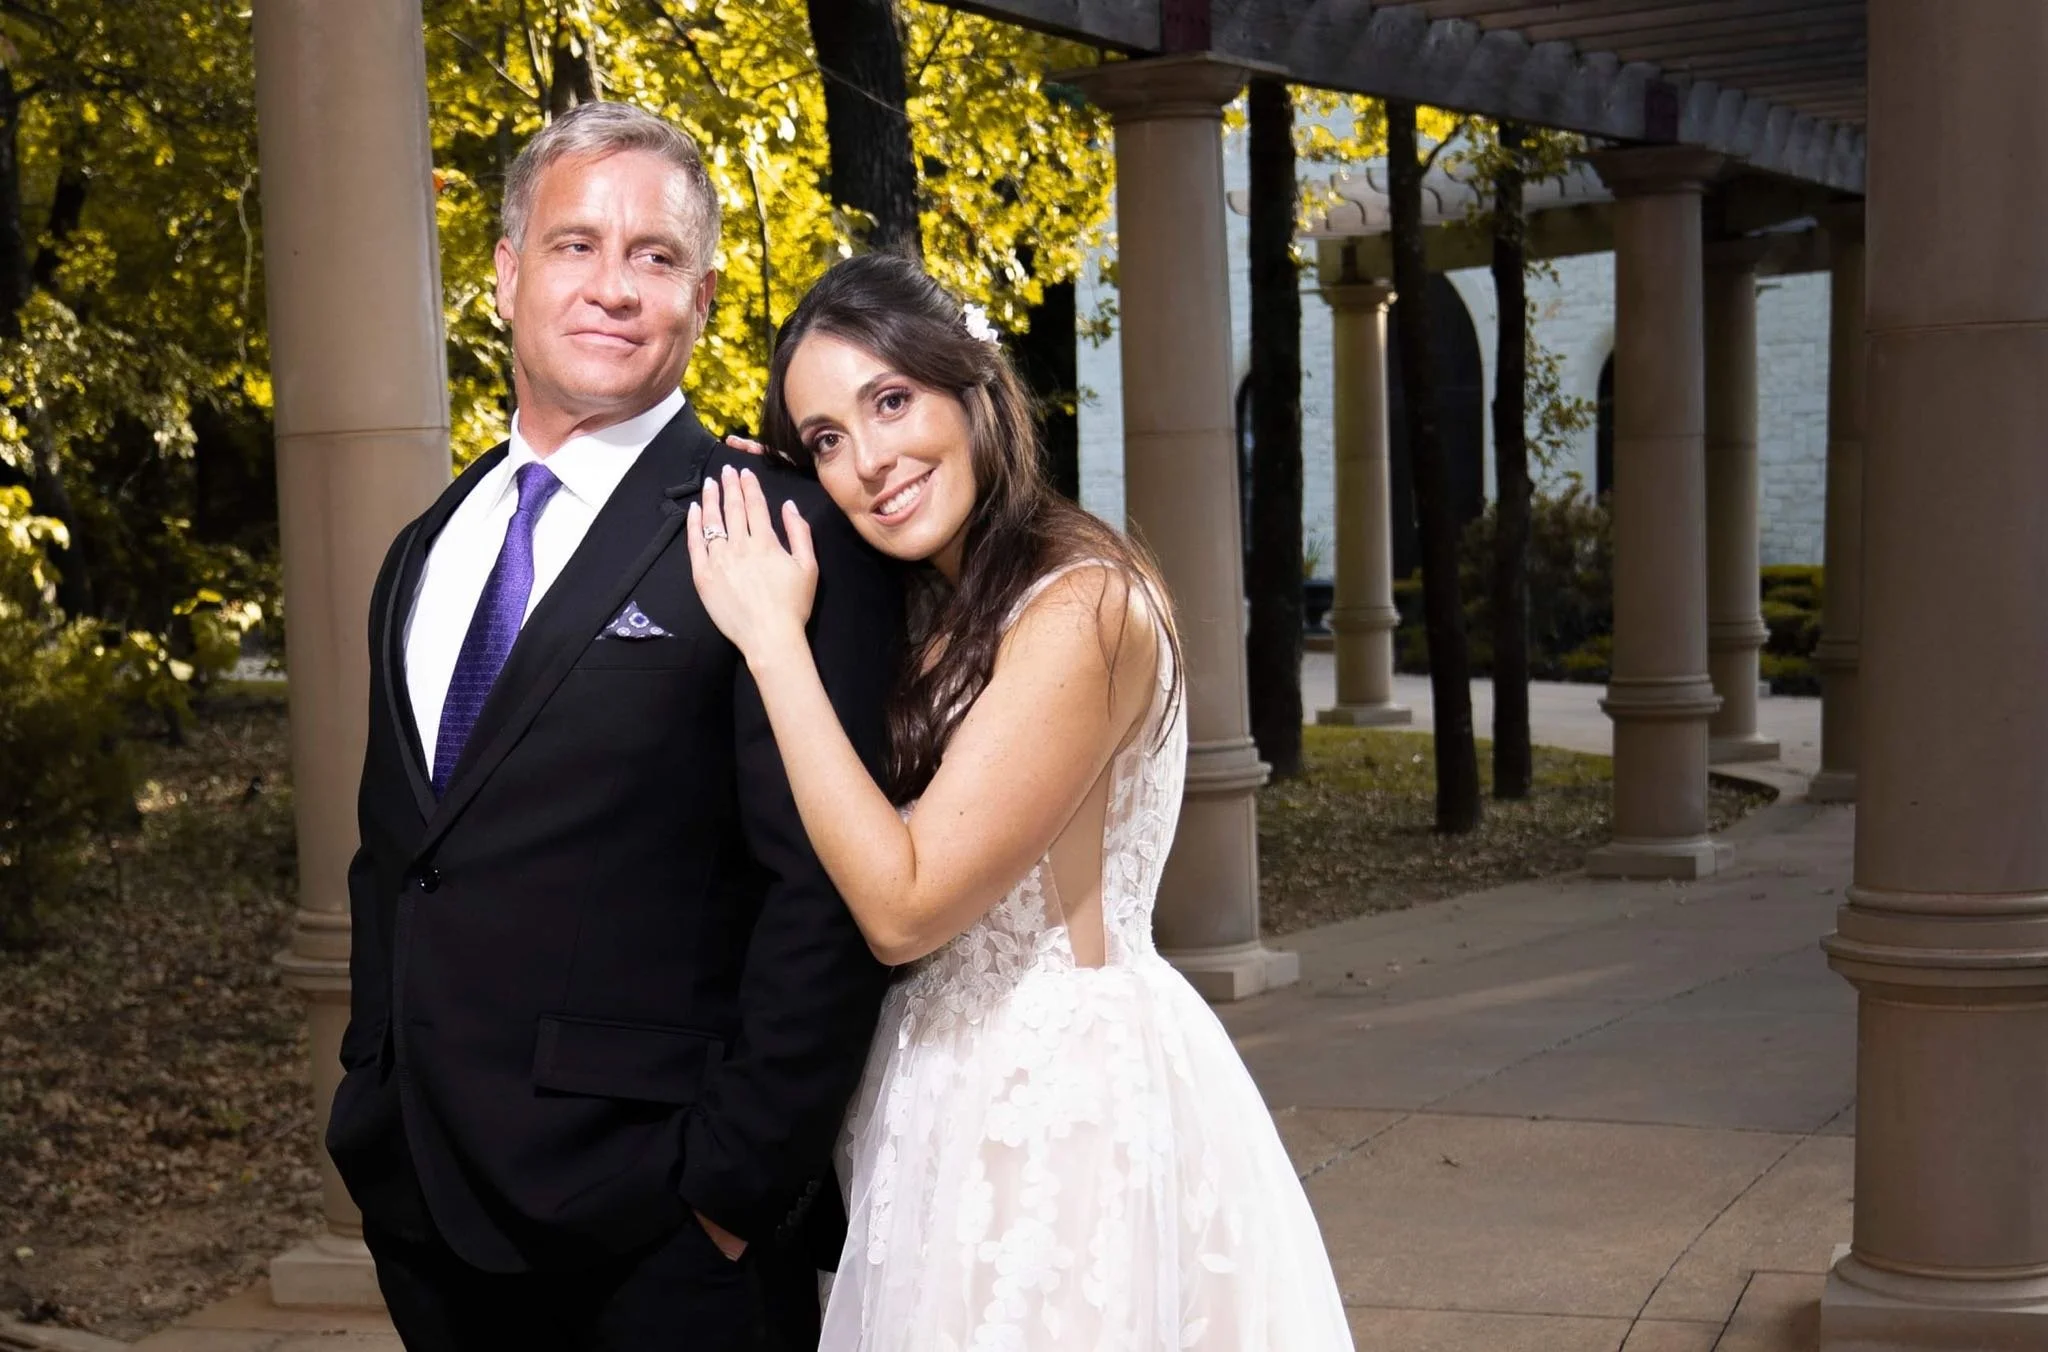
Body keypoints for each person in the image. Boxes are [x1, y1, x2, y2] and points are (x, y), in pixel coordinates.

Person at [688, 251, 1355, 1349]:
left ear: (973, 385)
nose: (870, 461)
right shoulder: (931, 606)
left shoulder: (1083, 604)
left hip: (1058, 1107)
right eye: (825, 440)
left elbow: (903, 904)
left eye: (891, 400)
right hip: (926, 1095)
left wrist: (771, 637)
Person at [324, 101, 901, 1352]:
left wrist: (735, 1191)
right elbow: (401, 850)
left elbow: (826, 893)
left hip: (656, 1235)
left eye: (656, 257)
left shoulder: (774, 529)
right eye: (577, 244)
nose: (614, 287)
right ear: (505, 273)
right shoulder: (433, 540)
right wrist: (368, 1085)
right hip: (421, 1200)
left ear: (698, 298)